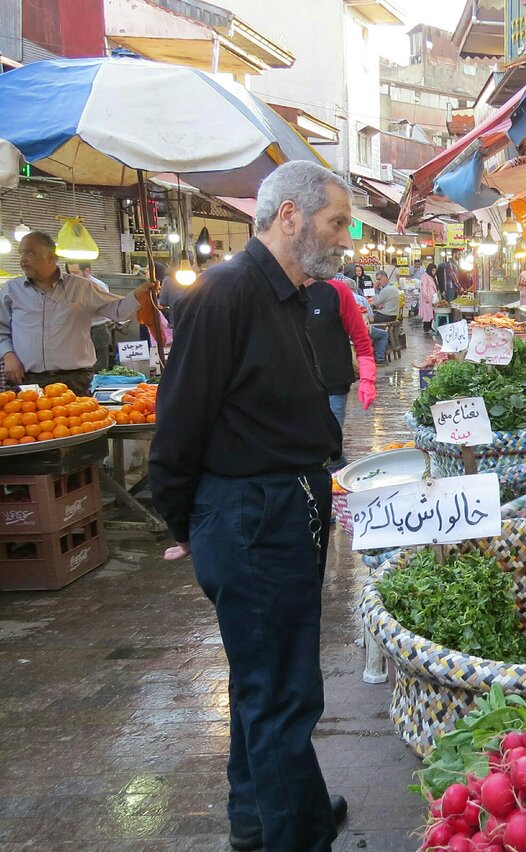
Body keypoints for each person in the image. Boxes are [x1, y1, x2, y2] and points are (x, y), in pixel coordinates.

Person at [149, 161, 352, 851]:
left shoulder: (292, 296)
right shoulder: (226, 294)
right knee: (283, 693)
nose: (344, 238)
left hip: (282, 505)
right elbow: (178, 423)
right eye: (334, 223)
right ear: (289, 215)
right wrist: (189, 523)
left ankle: (259, 817)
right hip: (248, 514)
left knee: (264, 679)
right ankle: (300, 834)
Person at [0, 233, 154, 396]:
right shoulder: (11, 290)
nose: (23, 260)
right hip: (28, 380)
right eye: (21, 253)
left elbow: (117, 311)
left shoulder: (82, 288)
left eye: (30, 253)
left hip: (74, 380)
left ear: (51, 257)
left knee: (79, 420)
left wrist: (139, 293)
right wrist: (8, 355)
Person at [310, 276, 377, 468]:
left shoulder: (336, 291)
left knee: (330, 443)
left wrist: (367, 379)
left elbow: (361, 338)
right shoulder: (282, 290)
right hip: (294, 386)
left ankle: (335, 481)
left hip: (333, 382)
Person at [66, 261, 114, 371]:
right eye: (70, 272)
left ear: (87, 271)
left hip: (97, 328)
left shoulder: (98, 286)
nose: (72, 276)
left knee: (99, 363)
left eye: (75, 272)